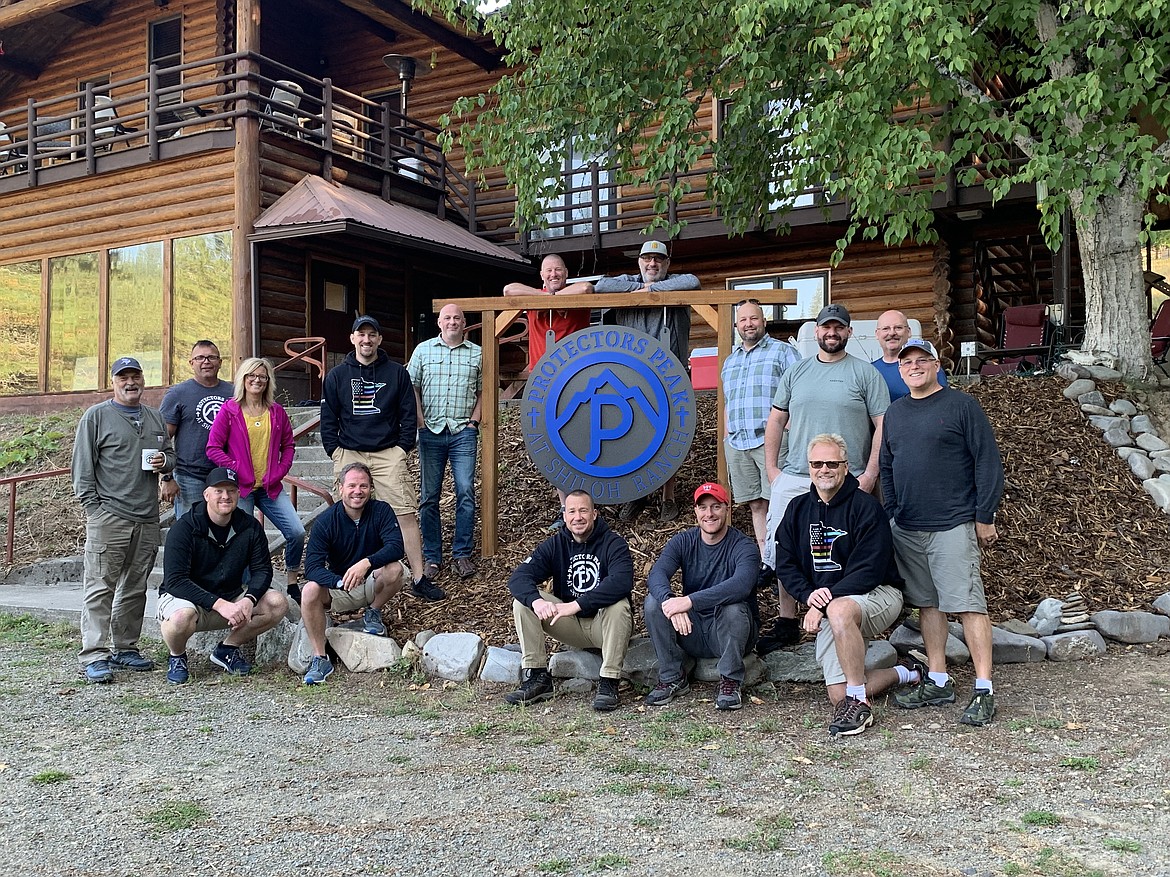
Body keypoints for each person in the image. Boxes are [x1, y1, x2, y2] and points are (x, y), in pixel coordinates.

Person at [880, 337, 1005, 727]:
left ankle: (983, 689)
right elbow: (887, 466)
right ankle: (938, 680)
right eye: (906, 362)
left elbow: (987, 461)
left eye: (922, 360)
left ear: (936, 365)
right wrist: (893, 513)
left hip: (953, 524)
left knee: (968, 604)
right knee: (927, 605)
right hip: (909, 527)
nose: (913, 366)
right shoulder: (896, 412)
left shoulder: (961, 405)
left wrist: (984, 515)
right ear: (899, 370)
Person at [758, 303, 890, 654]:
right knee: (787, 548)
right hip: (800, 475)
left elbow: (882, 425)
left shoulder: (864, 373)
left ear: (848, 333)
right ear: (816, 332)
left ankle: (844, 616)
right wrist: (773, 470)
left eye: (839, 328)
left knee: (844, 548)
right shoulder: (797, 372)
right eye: (825, 327)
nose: (831, 333)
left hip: (849, 478)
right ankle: (787, 620)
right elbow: (775, 420)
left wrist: (870, 473)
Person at [774, 434, 912, 737]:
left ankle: (859, 704)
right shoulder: (797, 510)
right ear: (809, 468)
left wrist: (823, 601)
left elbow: (869, 570)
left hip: (878, 594)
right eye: (817, 463)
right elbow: (785, 562)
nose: (824, 469)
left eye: (832, 463)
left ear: (845, 467)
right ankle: (906, 672)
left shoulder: (866, 508)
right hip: (828, 605)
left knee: (838, 610)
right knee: (838, 693)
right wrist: (809, 595)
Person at [320, 315, 443, 601]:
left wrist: (401, 449)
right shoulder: (338, 376)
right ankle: (345, 574)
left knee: (404, 512)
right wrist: (335, 450)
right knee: (346, 515)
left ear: (379, 339)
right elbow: (328, 418)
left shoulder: (396, 373)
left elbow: (408, 414)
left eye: (371, 334)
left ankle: (418, 576)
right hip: (349, 451)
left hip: (388, 452)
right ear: (352, 339)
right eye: (360, 334)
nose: (366, 340)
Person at [72, 356, 175, 683]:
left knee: (135, 587)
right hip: (109, 517)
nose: (130, 383)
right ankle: (94, 654)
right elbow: (82, 470)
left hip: (146, 518)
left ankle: (125, 648)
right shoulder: (97, 417)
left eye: (135, 377)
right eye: (123, 378)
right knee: (100, 586)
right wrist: (95, 510)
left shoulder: (155, 417)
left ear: (143, 380)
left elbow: (171, 456)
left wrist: (165, 464)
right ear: (113, 382)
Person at [596, 239, 700, 523]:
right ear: (638, 262)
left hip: (671, 376)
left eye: (658, 259)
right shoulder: (628, 281)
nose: (652, 264)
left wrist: (651, 289)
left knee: (670, 436)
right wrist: (637, 288)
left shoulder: (677, 281)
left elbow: (693, 282)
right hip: (632, 377)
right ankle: (636, 493)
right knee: (631, 435)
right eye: (647, 259)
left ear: (666, 264)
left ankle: (668, 498)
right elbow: (601, 286)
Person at [505, 490, 634, 711]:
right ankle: (538, 677)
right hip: (570, 625)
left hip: (604, 627)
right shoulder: (555, 545)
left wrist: (576, 605)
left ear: (595, 514)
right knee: (523, 603)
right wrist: (537, 602)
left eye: (583, 510)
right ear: (564, 516)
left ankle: (609, 681)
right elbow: (519, 577)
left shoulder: (614, 544)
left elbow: (621, 582)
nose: (578, 517)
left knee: (619, 605)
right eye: (572, 511)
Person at [156, 467, 289, 684]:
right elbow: (175, 581)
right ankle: (177, 656)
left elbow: (263, 570)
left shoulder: (249, 527)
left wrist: (250, 599)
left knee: (277, 603)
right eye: (218, 491)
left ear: (239, 494)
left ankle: (227, 649)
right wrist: (219, 604)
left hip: (230, 596)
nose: (225, 496)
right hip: (187, 600)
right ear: (206, 494)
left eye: (231, 491)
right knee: (181, 619)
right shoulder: (184, 528)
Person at [644, 482, 759, 711]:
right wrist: (669, 602)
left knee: (733, 607)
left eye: (716, 507)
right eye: (703, 507)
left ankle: (730, 680)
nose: (709, 514)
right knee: (653, 602)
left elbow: (741, 585)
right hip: (692, 629)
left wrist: (688, 601)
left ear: (727, 509)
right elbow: (656, 574)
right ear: (695, 512)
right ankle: (672, 676)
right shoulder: (684, 541)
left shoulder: (743, 546)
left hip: (729, 633)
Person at [504, 254, 595, 530]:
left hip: (577, 380)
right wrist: (545, 296)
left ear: (566, 272)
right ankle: (565, 507)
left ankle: (588, 507)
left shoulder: (576, 295)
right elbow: (509, 290)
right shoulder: (534, 299)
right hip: (543, 383)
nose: (553, 274)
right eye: (548, 271)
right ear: (541, 275)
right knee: (552, 448)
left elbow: (587, 289)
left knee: (584, 444)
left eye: (558, 270)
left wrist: (555, 296)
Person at [206, 357, 306, 599]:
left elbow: (289, 445)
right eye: (252, 375)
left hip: (270, 487)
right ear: (243, 378)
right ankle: (246, 588)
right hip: (240, 488)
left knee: (296, 531)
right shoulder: (230, 410)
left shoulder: (277, 411)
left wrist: (281, 469)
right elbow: (213, 447)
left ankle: (292, 582)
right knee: (243, 540)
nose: (257, 380)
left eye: (262, 376)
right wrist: (235, 468)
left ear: (268, 381)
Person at [299, 462, 407, 685]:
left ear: (371, 488)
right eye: (352, 485)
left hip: (371, 582)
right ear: (340, 488)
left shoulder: (381, 511)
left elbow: (396, 547)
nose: (358, 491)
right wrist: (338, 581)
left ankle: (373, 612)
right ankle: (320, 658)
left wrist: (366, 563)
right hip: (339, 588)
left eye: (363, 486)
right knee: (309, 590)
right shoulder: (326, 521)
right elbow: (312, 567)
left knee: (396, 569)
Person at [720, 299, 800, 567]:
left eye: (753, 319)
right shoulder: (730, 361)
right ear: (736, 325)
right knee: (756, 504)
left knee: (780, 502)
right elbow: (728, 401)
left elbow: (799, 392)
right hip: (738, 442)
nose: (748, 324)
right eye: (743, 320)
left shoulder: (782, 352)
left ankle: (787, 560)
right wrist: (726, 432)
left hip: (772, 442)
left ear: (763, 321)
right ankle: (768, 560)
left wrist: (790, 426)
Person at [407, 304, 482, 581]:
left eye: (457, 318)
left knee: (465, 491)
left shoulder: (478, 353)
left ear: (464, 323)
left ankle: (462, 554)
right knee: (429, 497)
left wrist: (474, 422)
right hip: (431, 431)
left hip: (463, 431)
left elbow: (484, 391)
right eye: (447, 318)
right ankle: (433, 557)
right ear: (440, 323)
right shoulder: (423, 351)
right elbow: (411, 386)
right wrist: (419, 420)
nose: (452, 322)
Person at [160, 340, 234, 517]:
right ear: (191, 363)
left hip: (226, 475)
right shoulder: (178, 393)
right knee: (191, 532)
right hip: (189, 476)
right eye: (200, 357)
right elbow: (162, 438)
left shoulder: (234, 392)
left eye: (211, 357)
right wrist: (167, 478)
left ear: (220, 362)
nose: (206, 361)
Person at [872, 310, 949, 402]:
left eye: (898, 328)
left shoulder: (927, 368)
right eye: (885, 328)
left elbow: (943, 402)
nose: (892, 333)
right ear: (877, 334)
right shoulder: (870, 370)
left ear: (908, 332)